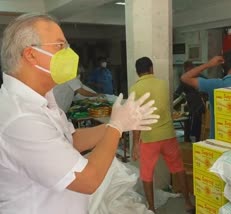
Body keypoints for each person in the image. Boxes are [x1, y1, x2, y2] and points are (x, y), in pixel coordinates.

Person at [0, 13, 159, 214]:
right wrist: (116, 128)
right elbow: (88, 180)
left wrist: (117, 123)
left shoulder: (42, 99)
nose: (70, 54)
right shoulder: (21, 118)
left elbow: (71, 139)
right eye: (60, 46)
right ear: (31, 54)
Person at [130, 57, 194, 213]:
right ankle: (187, 203)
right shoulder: (163, 84)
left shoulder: (135, 89)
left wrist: (135, 144)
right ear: (151, 69)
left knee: (147, 174)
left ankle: (152, 208)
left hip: (149, 137)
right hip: (168, 134)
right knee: (178, 168)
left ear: (137, 72)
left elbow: (136, 119)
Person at [181, 49, 231, 139]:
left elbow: (185, 77)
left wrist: (208, 64)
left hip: (218, 141)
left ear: (223, 66)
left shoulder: (215, 85)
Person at [174, 61, 206, 142]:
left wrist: (172, 103)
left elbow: (177, 93)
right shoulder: (201, 77)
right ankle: (197, 140)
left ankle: (189, 140)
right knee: (199, 124)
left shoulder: (185, 79)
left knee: (191, 122)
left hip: (194, 105)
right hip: (203, 105)